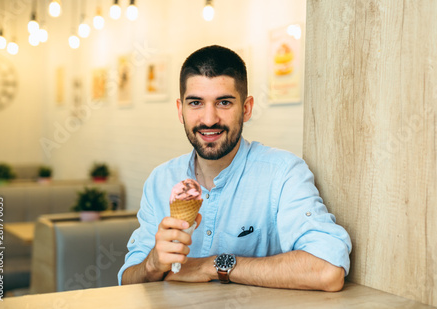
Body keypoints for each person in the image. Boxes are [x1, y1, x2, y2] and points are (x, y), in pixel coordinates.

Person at [118, 45, 351, 291]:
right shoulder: (160, 180)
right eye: (196, 102)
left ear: (247, 108)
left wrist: (211, 266)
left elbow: (327, 269)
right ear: (180, 110)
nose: (209, 119)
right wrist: (153, 264)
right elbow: (127, 280)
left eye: (224, 102)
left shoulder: (283, 173)